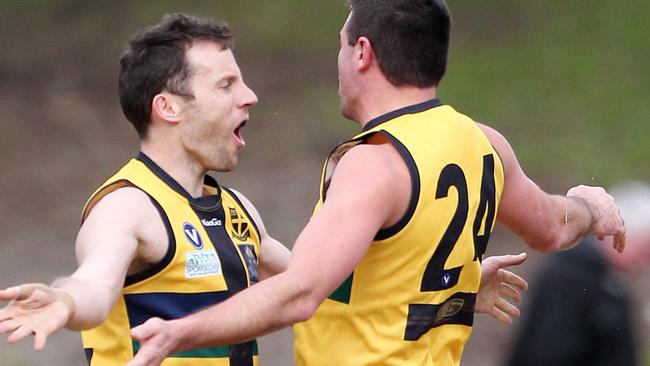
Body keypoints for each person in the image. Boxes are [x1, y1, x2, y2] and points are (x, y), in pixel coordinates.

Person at [0, 11, 530, 366]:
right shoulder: (126, 207)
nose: (250, 96)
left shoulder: (236, 212)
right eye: (226, 85)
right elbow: (94, 287)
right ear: (167, 107)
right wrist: (64, 301)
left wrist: (448, 293)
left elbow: (316, 291)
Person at [123, 1, 626, 366]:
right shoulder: (484, 144)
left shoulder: (375, 162)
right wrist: (588, 204)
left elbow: (301, 294)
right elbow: (554, 228)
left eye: (340, 46)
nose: (338, 62)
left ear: (362, 52)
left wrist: (178, 333)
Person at [507, 181, 650, 366]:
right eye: (646, 248)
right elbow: (546, 351)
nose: (646, 259)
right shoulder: (573, 276)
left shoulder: (605, 279)